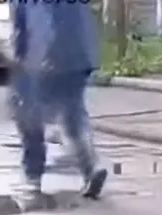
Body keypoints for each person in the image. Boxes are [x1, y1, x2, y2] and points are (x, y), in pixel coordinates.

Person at [9, 0, 107, 201]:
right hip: (80, 55)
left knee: (28, 113)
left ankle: (33, 176)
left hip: (43, 57)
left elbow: (24, 26)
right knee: (73, 112)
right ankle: (91, 166)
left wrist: (22, 60)